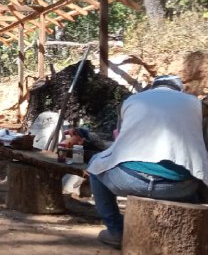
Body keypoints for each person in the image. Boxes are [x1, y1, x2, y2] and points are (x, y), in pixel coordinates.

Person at [88, 75, 208, 249]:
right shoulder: (196, 105)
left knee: (94, 165)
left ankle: (115, 230)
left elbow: (121, 139)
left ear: (152, 87)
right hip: (177, 188)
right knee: (199, 172)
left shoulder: (132, 100)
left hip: (129, 181)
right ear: (180, 90)